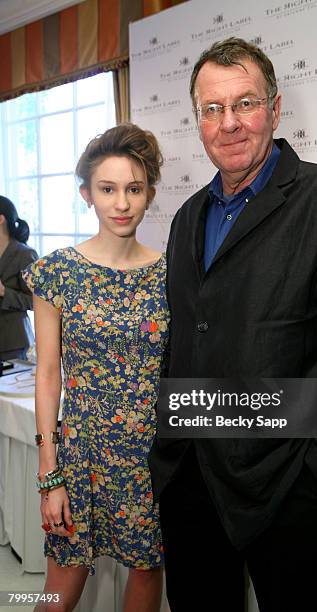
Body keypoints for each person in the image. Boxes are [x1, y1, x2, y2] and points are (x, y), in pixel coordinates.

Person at [148, 38, 317, 612]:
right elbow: (185, 338)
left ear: (275, 110)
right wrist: (170, 447)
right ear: (199, 120)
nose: (228, 123)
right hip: (190, 480)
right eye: (213, 108)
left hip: (285, 489)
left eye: (245, 104)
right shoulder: (189, 218)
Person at [23, 123, 169, 612]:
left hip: (151, 457)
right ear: (87, 194)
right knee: (58, 595)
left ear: (149, 193)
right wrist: (50, 476)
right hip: (81, 457)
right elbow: (48, 376)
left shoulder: (170, 274)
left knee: (147, 574)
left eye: (134, 189)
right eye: (108, 189)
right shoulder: (57, 271)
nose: (122, 203)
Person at [0, 196, 38, 361]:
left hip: (12, 343)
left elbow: (36, 301)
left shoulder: (25, 254)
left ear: (1, 219)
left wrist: (3, 292)